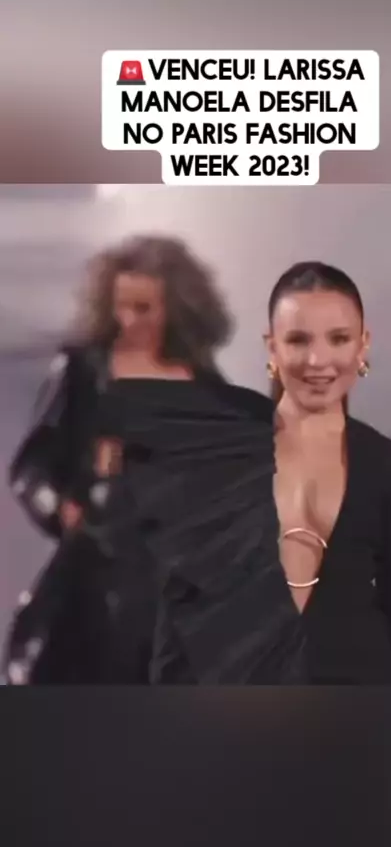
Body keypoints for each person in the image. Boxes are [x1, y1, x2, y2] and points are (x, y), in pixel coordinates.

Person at [3, 234, 233, 684]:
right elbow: (32, 465)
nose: (130, 320)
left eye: (144, 308)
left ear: (176, 308)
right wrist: (63, 508)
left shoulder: (208, 390)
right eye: (121, 306)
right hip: (94, 566)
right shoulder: (84, 371)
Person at [265, 260, 391, 684]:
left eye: (339, 339)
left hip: (367, 704)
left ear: (362, 346)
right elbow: (181, 604)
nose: (318, 360)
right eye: (298, 339)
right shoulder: (220, 456)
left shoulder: (390, 466)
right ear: (272, 348)